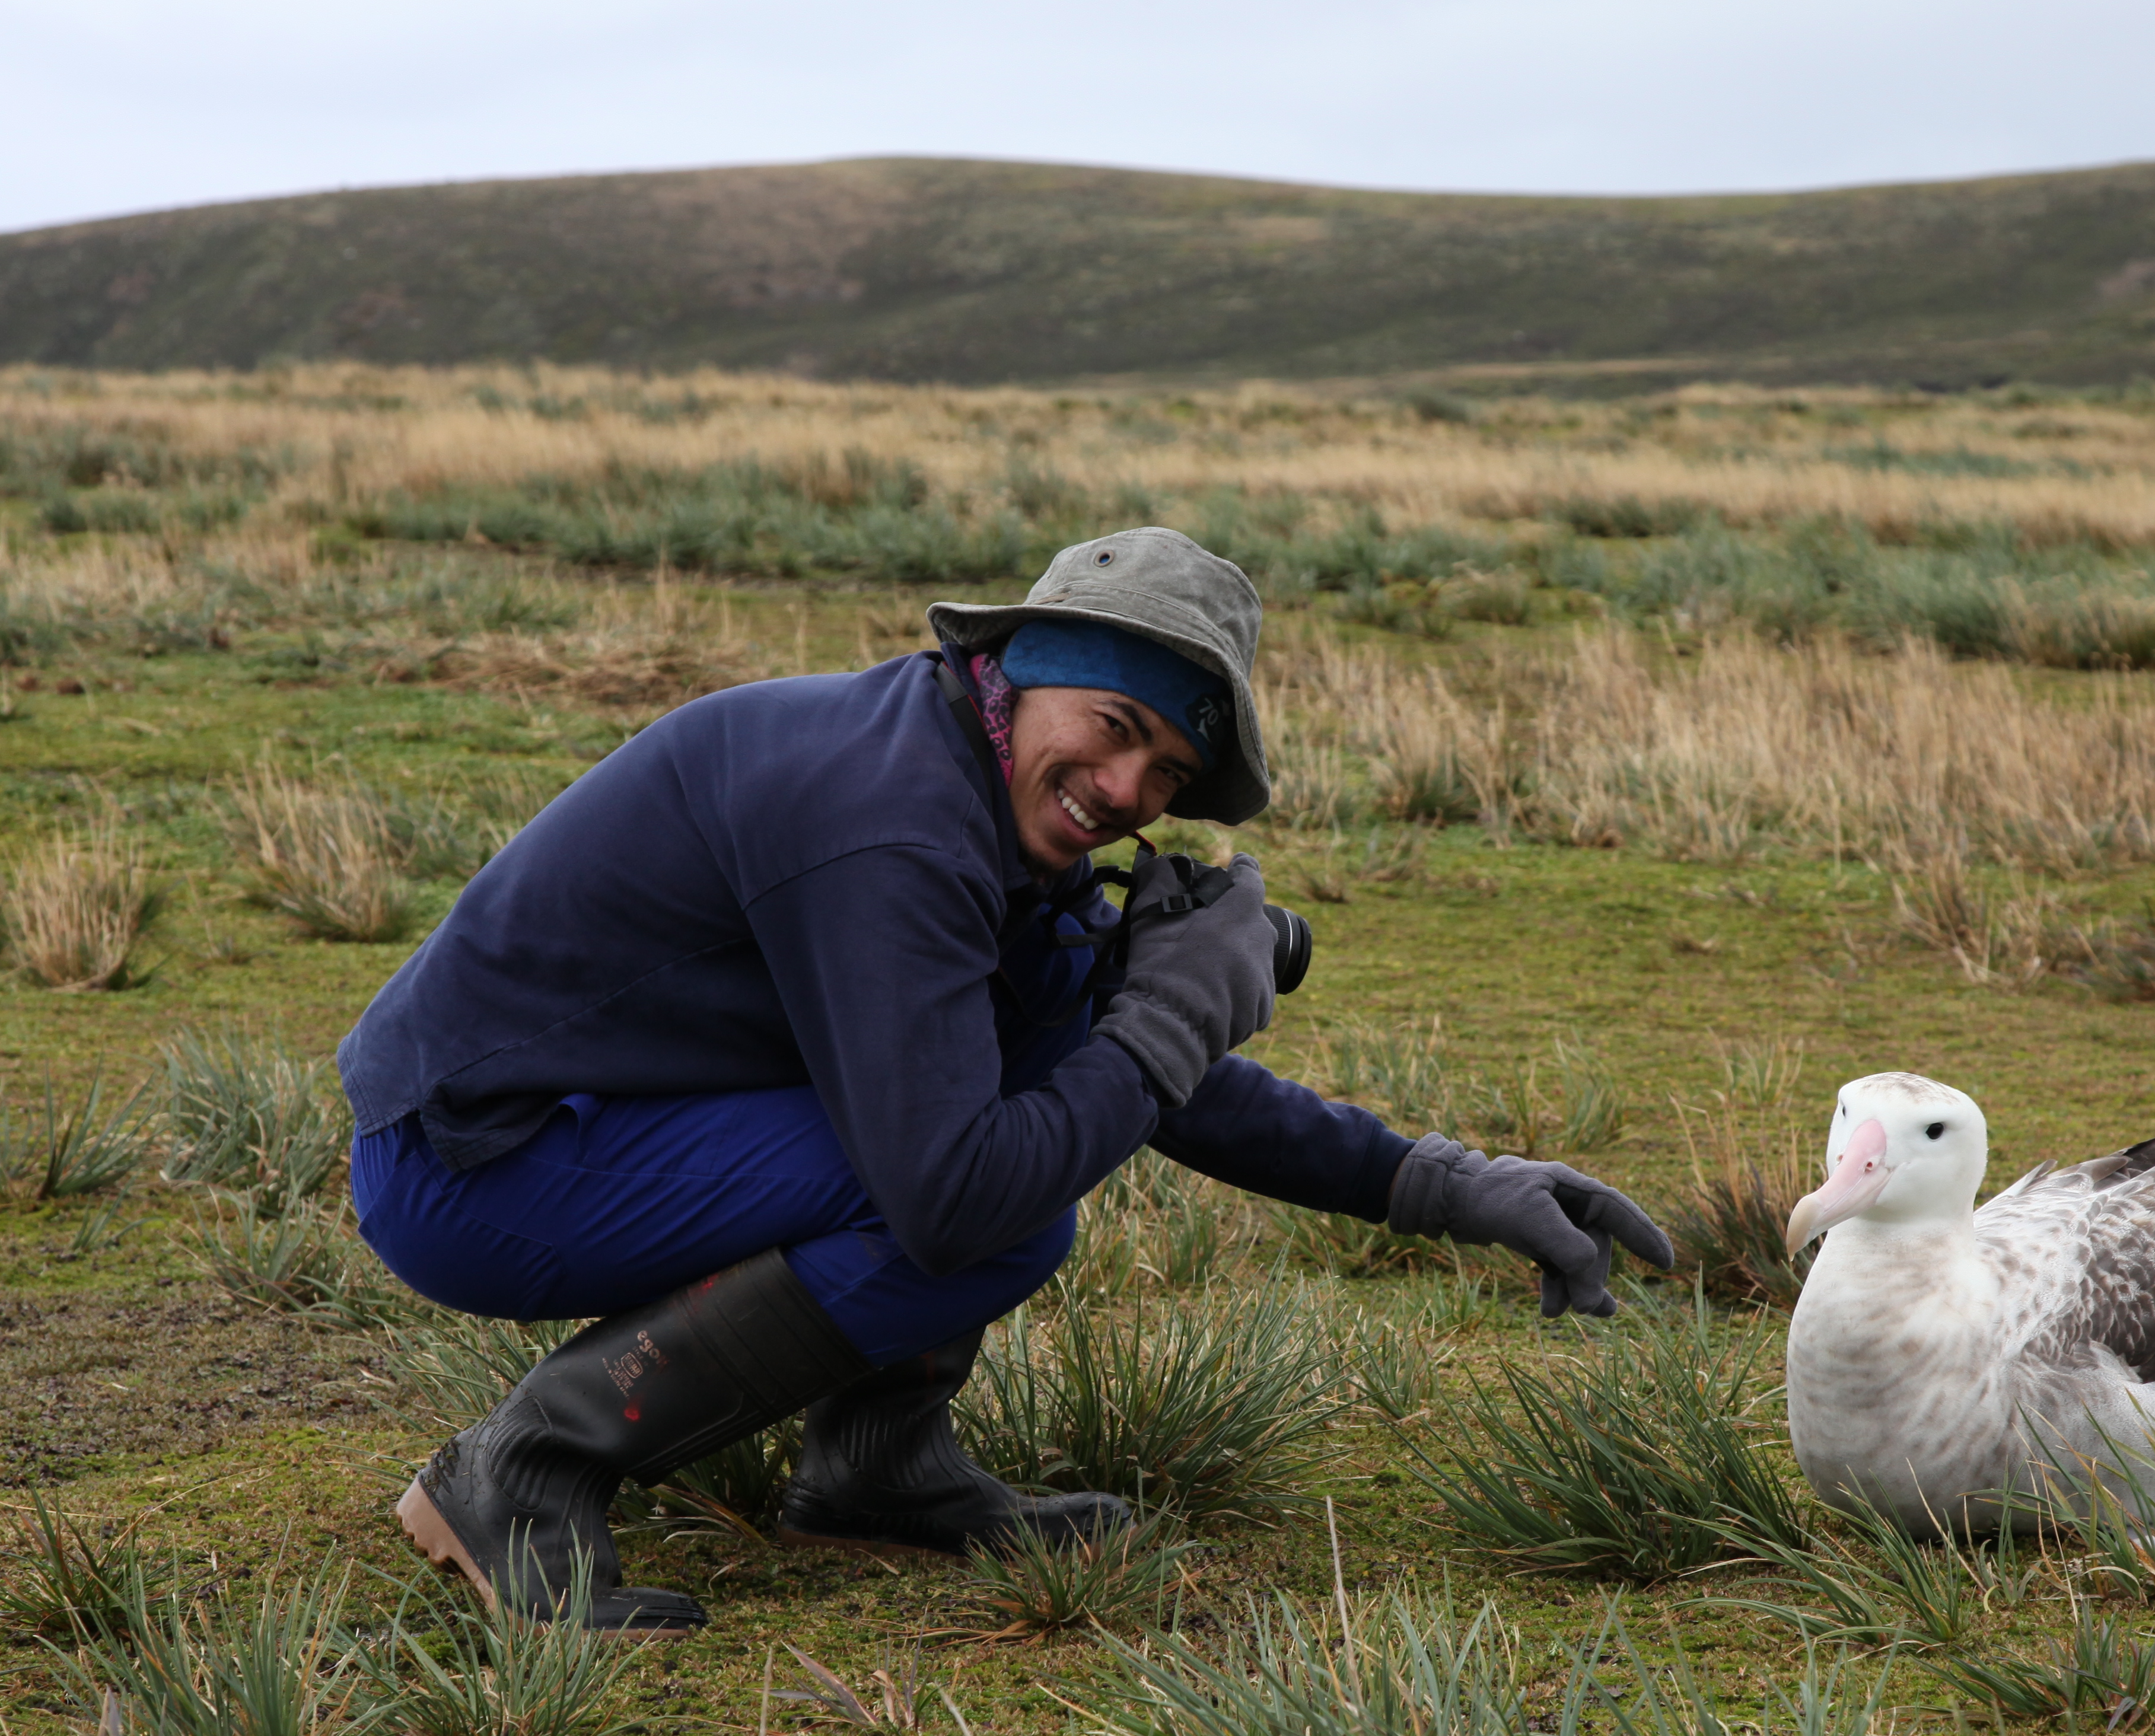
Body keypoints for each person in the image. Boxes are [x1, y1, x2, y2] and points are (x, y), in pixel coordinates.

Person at [339, 526, 1675, 1634]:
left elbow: (1106, 1073)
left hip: (583, 1125)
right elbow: (959, 1188)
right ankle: (524, 1469)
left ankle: (876, 1472)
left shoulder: (971, 788)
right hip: (477, 1161)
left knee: (1008, 1121)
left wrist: (1442, 1183)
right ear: (1020, 674)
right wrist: (1161, 1015)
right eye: (1113, 726)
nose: (1124, 789)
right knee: (998, 1196)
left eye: (1168, 773)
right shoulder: (892, 823)